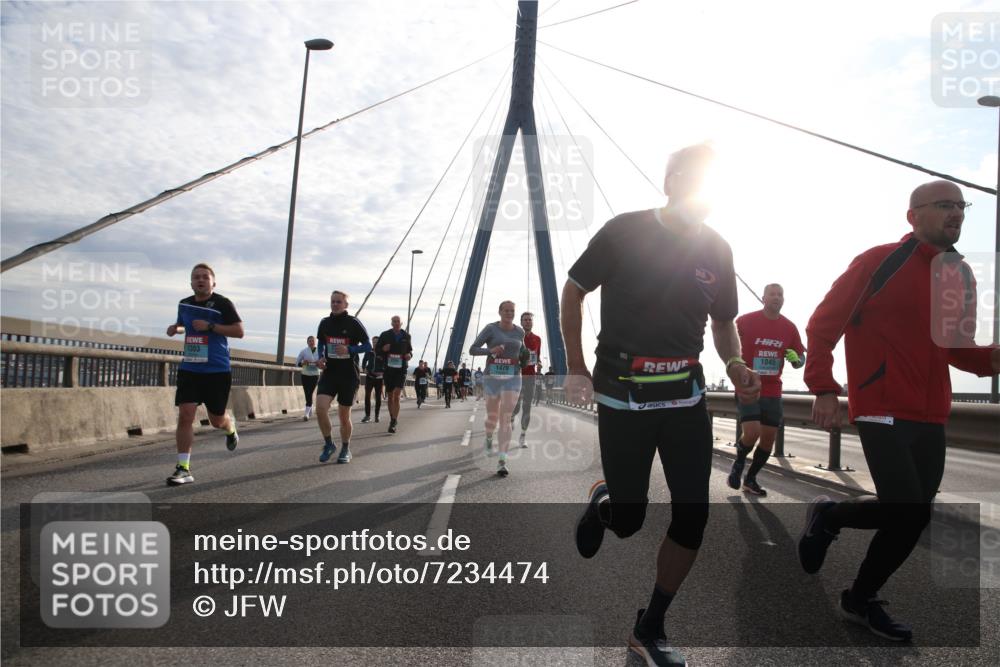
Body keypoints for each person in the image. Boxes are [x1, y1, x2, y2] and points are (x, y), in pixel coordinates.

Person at [561, 143, 761, 666]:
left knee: (693, 514)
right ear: (671, 181)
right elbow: (574, 290)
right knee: (629, 520)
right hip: (622, 393)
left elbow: (723, 321)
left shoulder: (718, 248)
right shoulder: (624, 230)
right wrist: (577, 368)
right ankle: (606, 503)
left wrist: (735, 362)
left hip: (685, 396)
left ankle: (650, 628)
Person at [800, 180, 1000, 642]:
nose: (957, 213)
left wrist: (993, 357)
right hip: (881, 405)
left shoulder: (960, 275)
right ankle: (861, 595)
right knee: (908, 509)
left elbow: (958, 349)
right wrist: (824, 388)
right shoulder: (878, 261)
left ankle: (836, 537)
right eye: (945, 205)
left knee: (911, 513)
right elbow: (823, 324)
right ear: (913, 215)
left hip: (930, 412)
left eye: (961, 206)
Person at [165, 263, 244, 485]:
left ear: (213, 282)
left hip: (217, 369)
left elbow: (239, 331)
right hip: (190, 367)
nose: (200, 280)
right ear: (191, 282)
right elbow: (184, 325)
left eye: (205, 277)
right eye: (196, 277)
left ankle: (230, 428)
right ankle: (183, 468)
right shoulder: (184, 304)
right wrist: (175, 328)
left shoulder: (222, 304)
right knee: (186, 415)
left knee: (216, 420)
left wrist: (211, 327)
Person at [726, 283, 806, 496]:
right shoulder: (745, 321)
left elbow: (800, 359)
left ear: (783, 299)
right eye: (772, 294)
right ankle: (739, 462)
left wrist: (796, 359)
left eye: (780, 294)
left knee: (768, 439)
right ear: (763, 298)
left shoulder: (789, 328)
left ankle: (750, 479)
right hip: (749, 386)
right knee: (752, 433)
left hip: (773, 390)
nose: (776, 297)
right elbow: (729, 344)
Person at [470, 301, 526, 478]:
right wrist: (491, 351)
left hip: (513, 376)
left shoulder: (519, 331)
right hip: (493, 377)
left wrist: (526, 357)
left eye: (512, 311)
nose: (509, 313)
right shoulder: (491, 329)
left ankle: (502, 459)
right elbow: (473, 349)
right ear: (500, 312)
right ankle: (488, 436)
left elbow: (521, 349)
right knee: (492, 417)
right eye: (506, 310)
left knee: (506, 417)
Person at [315, 291, 371, 464]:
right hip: (330, 372)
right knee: (320, 408)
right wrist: (320, 357)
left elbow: (368, 346)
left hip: (348, 375)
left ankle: (345, 448)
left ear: (346, 305)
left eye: (339, 302)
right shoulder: (324, 323)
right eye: (333, 301)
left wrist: (350, 350)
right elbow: (321, 344)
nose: (335, 304)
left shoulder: (353, 323)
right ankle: (329, 444)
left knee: (343, 415)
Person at [510, 311, 542, 446]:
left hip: (530, 377)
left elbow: (537, 356)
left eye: (530, 320)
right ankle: (511, 416)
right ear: (521, 322)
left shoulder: (538, 339)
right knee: (516, 407)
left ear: (532, 322)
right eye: (525, 320)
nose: (528, 321)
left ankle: (523, 436)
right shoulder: (515, 337)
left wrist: (539, 363)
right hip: (516, 376)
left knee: (527, 406)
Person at [376, 316, 413, 434]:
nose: (396, 323)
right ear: (391, 323)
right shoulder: (385, 335)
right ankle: (392, 418)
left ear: (401, 323)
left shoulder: (406, 336)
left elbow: (410, 351)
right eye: (394, 321)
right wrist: (383, 348)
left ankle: (393, 421)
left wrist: (409, 356)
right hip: (388, 369)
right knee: (390, 396)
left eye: (398, 321)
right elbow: (377, 350)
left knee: (397, 395)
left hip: (401, 369)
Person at [296, 335, 321, 421]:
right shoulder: (304, 351)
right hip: (305, 374)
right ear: (307, 342)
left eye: (313, 340)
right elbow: (297, 363)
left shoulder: (320, 351)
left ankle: (306, 414)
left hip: (315, 375)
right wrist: (303, 362)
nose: (311, 342)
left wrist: (319, 363)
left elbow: (324, 362)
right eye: (309, 341)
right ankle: (309, 408)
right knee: (307, 392)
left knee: (310, 392)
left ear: (315, 342)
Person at [360, 336, 383, 423]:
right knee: (367, 397)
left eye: (377, 342)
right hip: (369, 377)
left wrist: (383, 372)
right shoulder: (369, 351)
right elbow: (364, 361)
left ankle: (377, 415)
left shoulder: (382, 352)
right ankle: (367, 416)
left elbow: (386, 363)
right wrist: (364, 368)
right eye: (374, 342)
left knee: (378, 397)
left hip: (379, 378)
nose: (375, 343)